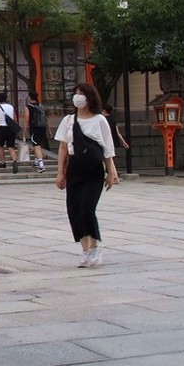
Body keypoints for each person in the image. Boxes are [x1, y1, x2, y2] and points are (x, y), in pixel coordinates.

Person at [55, 81, 120, 268]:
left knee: (87, 208)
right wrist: (60, 172)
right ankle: (85, 250)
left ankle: (95, 247)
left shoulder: (100, 120)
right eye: (76, 93)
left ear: (90, 97)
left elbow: (108, 149)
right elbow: (63, 147)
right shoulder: (68, 120)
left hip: (93, 169)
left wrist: (111, 172)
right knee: (74, 210)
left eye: (82, 93)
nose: (78, 97)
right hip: (75, 168)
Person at [24, 90, 50, 173]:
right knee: (38, 144)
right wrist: (49, 130)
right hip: (42, 128)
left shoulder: (28, 107)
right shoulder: (41, 106)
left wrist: (24, 131)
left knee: (36, 145)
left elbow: (26, 119)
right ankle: (36, 161)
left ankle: (41, 164)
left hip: (34, 128)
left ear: (29, 97)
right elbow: (46, 119)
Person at [0, 90, 19, 173]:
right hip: (11, 128)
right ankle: (14, 160)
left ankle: (3, 162)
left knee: (1, 145)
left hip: (2, 128)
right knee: (11, 147)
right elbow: (15, 119)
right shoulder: (11, 107)